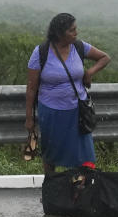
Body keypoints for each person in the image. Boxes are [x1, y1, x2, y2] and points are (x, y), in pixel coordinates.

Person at [25, 13, 111, 175]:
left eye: (75, 29)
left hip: (77, 111)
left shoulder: (79, 47)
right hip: (52, 112)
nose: (76, 33)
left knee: (84, 155)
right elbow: (31, 88)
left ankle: (80, 188)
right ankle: (51, 186)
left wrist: (90, 72)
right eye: (72, 30)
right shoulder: (41, 52)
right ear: (59, 33)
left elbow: (105, 58)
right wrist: (29, 118)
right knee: (51, 152)